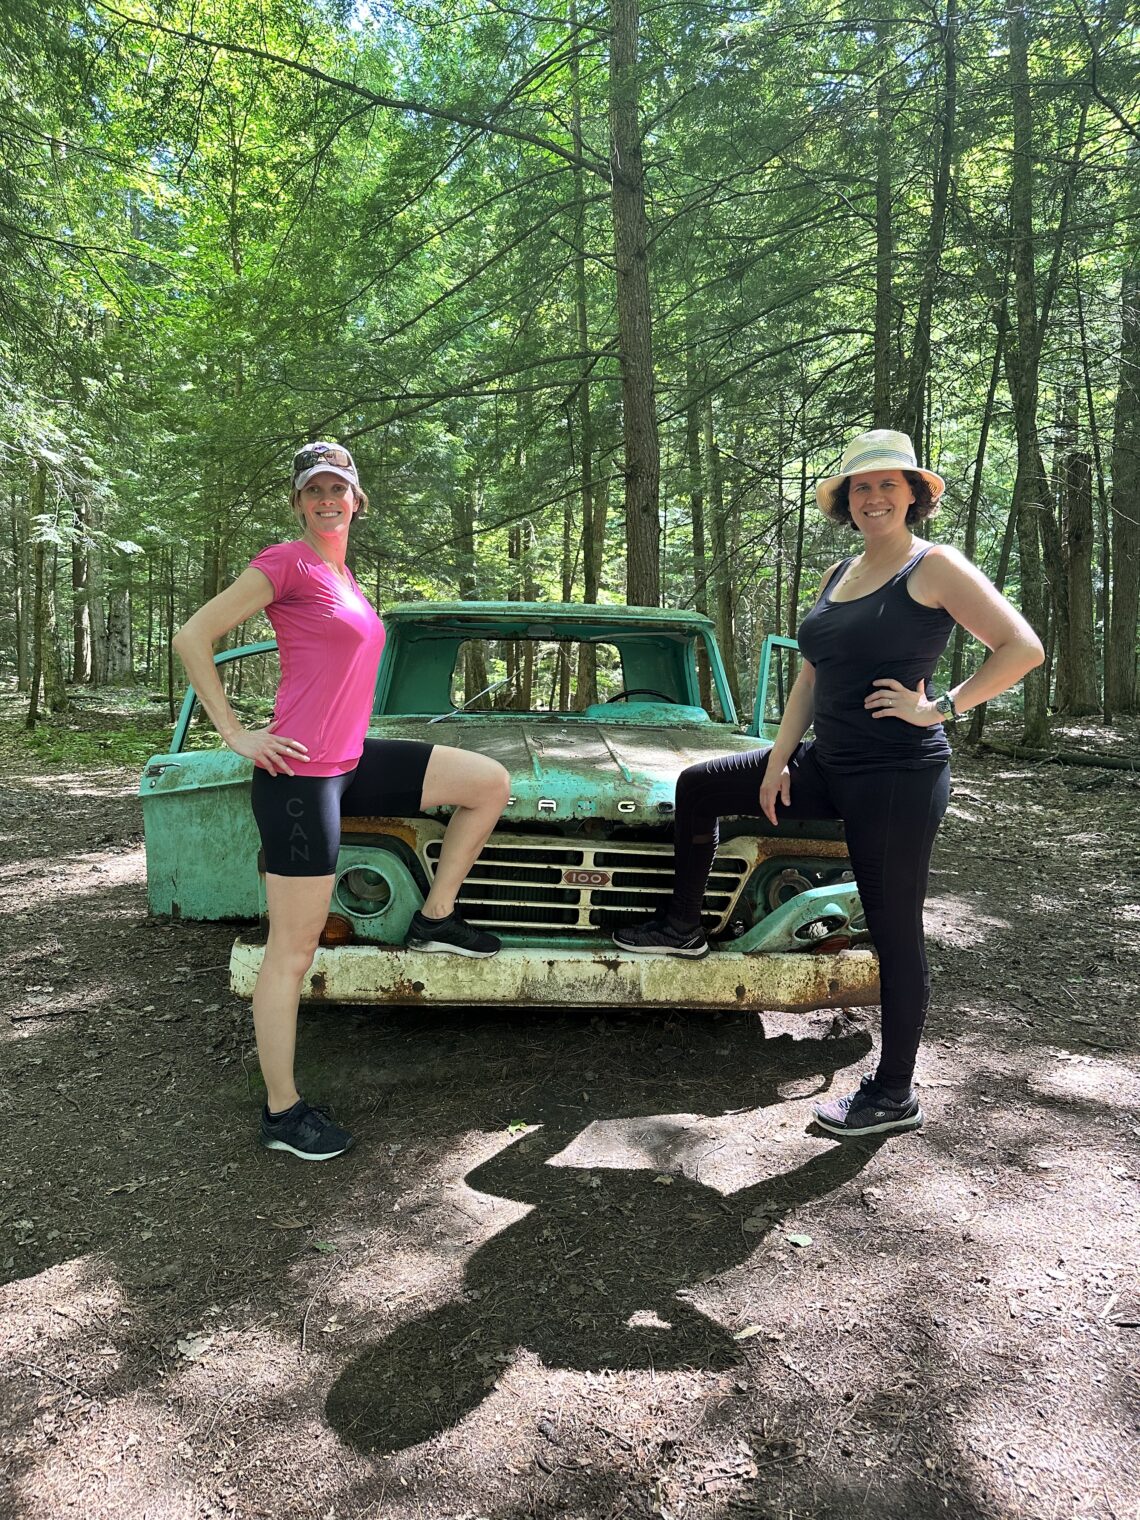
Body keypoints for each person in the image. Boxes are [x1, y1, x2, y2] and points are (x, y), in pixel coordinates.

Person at [613, 429, 1044, 1138]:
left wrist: (938, 706)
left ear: (912, 494)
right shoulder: (840, 571)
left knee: (895, 934)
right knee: (700, 786)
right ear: (847, 500)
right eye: (861, 487)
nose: (873, 497)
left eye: (887, 485)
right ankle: (683, 925)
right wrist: (778, 757)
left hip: (898, 777)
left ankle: (893, 1094)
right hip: (828, 763)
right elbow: (810, 674)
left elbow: (1021, 647)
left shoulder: (933, 567)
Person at [173, 442, 510, 1161]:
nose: (328, 499)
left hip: (351, 761)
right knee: (291, 952)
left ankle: (435, 918)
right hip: (299, 777)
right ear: (300, 502)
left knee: (487, 784)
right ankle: (282, 1112)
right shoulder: (286, 562)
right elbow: (192, 635)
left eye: (339, 488)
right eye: (314, 490)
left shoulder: (343, 574)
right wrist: (235, 732)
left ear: (357, 499)